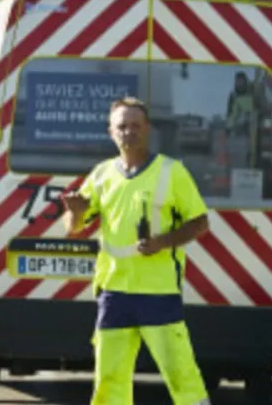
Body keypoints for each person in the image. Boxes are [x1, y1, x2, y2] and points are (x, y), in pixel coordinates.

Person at [60, 96, 211, 405]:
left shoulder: (172, 172)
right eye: (122, 126)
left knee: (181, 374)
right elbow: (73, 227)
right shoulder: (102, 174)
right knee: (109, 381)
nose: (128, 132)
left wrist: (161, 243)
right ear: (111, 132)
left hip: (158, 292)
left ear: (147, 129)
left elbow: (200, 223)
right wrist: (74, 212)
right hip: (114, 292)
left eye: (135, 126)